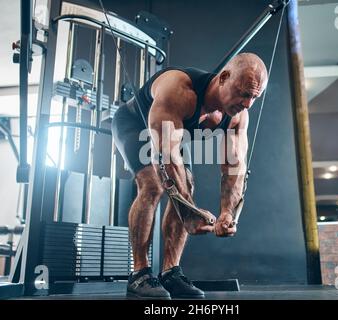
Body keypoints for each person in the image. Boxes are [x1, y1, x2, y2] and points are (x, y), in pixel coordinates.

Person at [111, 52, 268, 299]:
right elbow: (165, 158)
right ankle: (139, 273)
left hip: (173, 133)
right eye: (244, 94)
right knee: (153, 185)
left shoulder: (237, 116)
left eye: (254, 97)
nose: (248, 103)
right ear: (224, 77)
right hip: (134, 124)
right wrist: (189, 212)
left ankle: (170, 273)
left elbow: (234, 167)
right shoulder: (178, 90)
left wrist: (228, 211)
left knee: (188, 185)